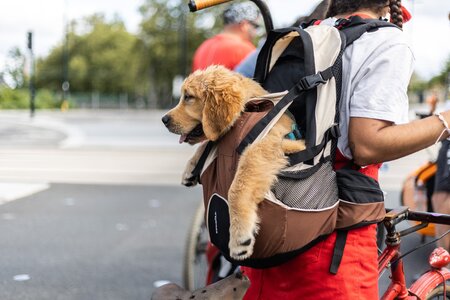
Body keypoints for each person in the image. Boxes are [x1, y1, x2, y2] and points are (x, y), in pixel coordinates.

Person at [239, 1, 450, 299]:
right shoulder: (384, 40)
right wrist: (444, 121)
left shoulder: (301, 35)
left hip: (271, 233)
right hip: (333, 246)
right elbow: (366, 144)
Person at [192, 2, 259, 72]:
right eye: (256, 26)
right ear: (244, 25)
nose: (256, 32)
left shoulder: (203, 47)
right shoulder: (245, 49)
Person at [432, 96, 450, 251]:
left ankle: (445, 267)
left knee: (444, 204)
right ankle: (442, 266)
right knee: (439, 201)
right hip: (446, 141)